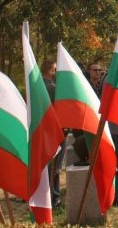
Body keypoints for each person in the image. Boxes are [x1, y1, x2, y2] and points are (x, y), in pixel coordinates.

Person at [40, 59, 64, 208]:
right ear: (49, 70)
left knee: (48, 165)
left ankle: (49, 196)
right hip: (55, 130)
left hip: (43, 130)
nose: (56, 71)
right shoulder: (53, 88)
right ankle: (54, 198)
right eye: (55, 69)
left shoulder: (38, 86)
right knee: (55, 166)